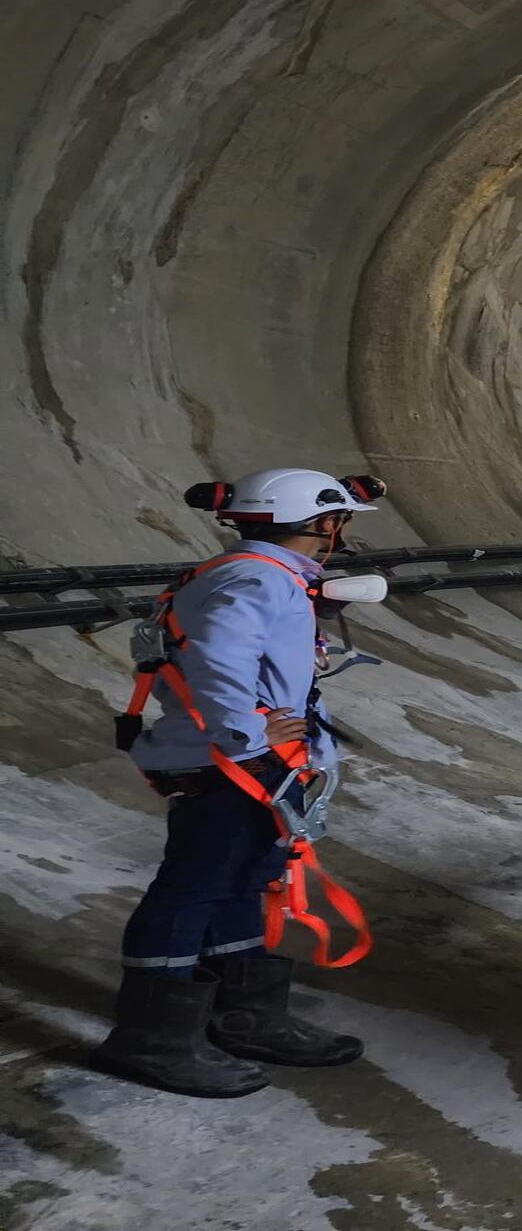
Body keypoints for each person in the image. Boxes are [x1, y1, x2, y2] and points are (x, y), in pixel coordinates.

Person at [91, 467, 384, 1098]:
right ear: (322, 521)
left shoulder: (264, 576)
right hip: (230, 767)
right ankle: (150, 1039)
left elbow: (237, 651)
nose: (341, 533)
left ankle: (245, 1014)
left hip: (242, 763)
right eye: (340, 521)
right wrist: (250, 741)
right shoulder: (257, 578)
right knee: (193, 887)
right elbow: (220, 657)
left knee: (243, 879)